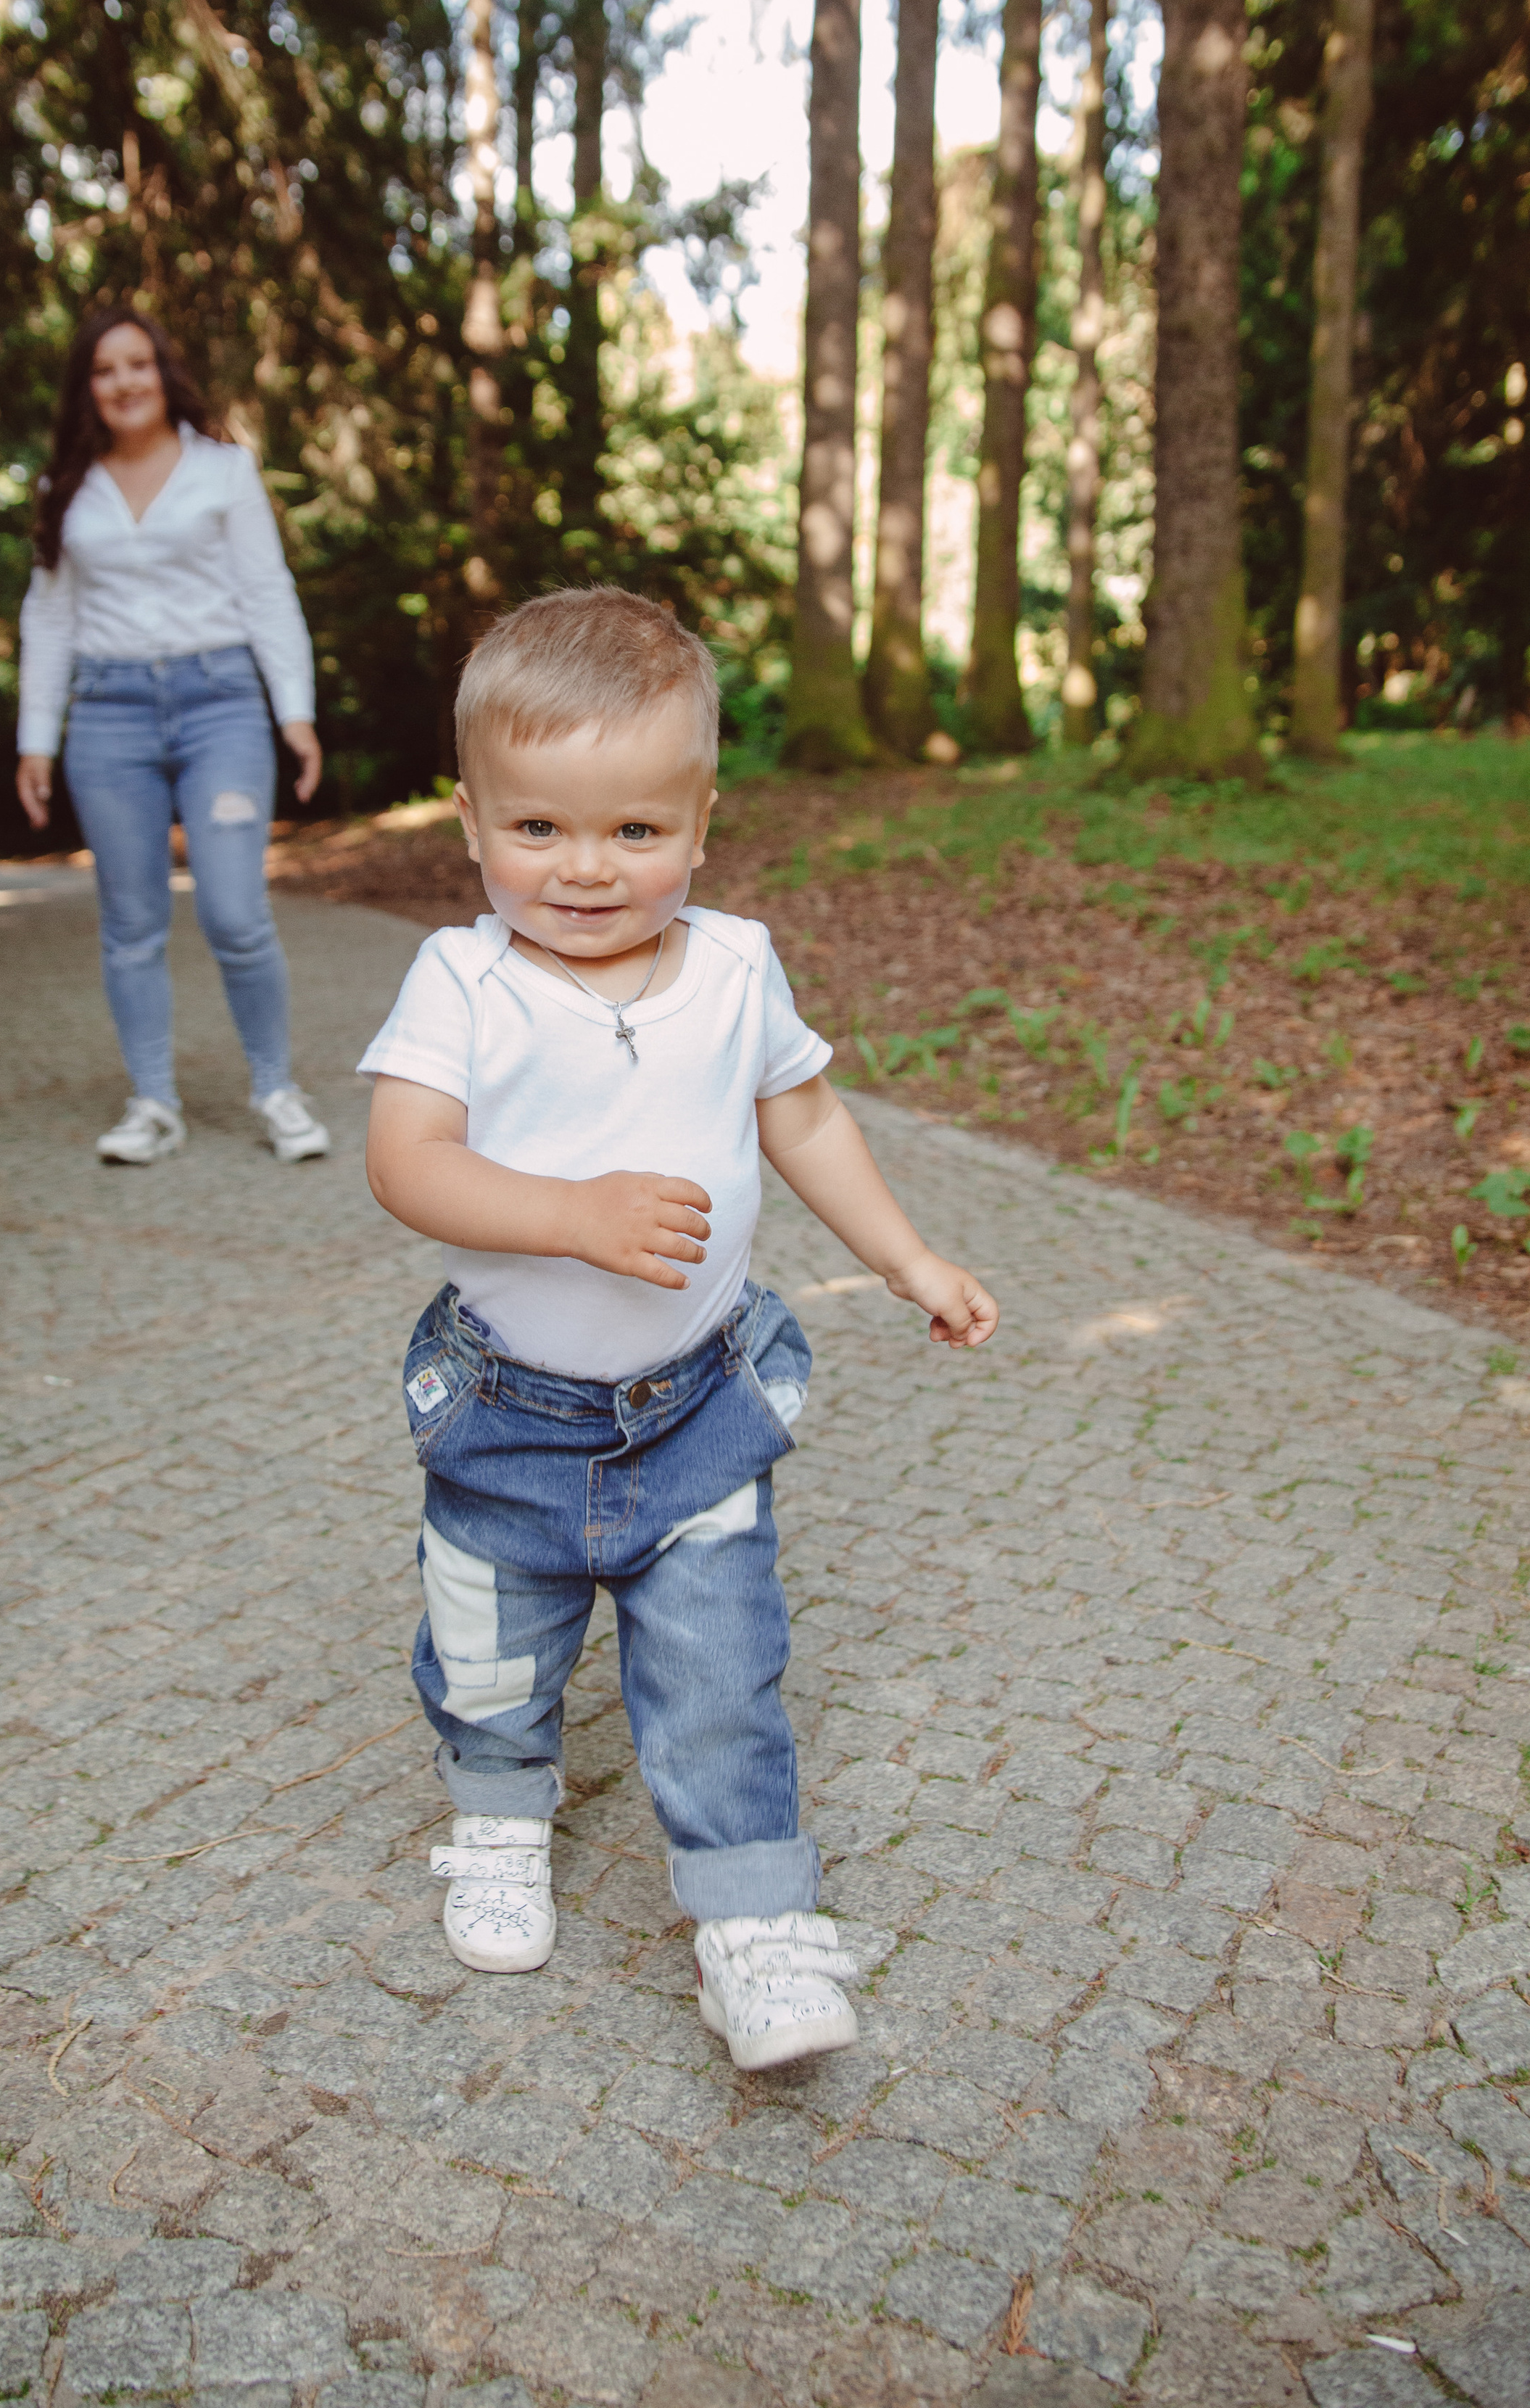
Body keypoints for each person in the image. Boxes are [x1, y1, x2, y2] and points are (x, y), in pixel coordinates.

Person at [359, 587, 998, 2071]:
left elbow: (807, 1116)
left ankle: (754, 1925)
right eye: (538, 829)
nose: (585, 869)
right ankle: (499, 1815)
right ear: (471, 822)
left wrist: (905, 1256)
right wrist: (570, 1213)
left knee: (719, 1675)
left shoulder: (731, 967)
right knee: (491, 1660)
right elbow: (409, 1163)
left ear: (699, 825)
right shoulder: (460, 982)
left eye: (634, 832)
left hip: (695, 1411)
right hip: (508, 1411)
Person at [15, 309, 331, 1168]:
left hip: (221, 706)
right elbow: (48, 618)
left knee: (235, 911)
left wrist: (292, 715)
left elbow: (268, 594)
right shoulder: (66, 489)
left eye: (138, 365)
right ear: (88, 388)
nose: (124, 383)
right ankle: (152, 1103)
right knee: (131, 922)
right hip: (108, 715)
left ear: (163, 374)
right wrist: (35, 740)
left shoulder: (223, 472)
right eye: (105, 370)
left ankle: (276, 1089)